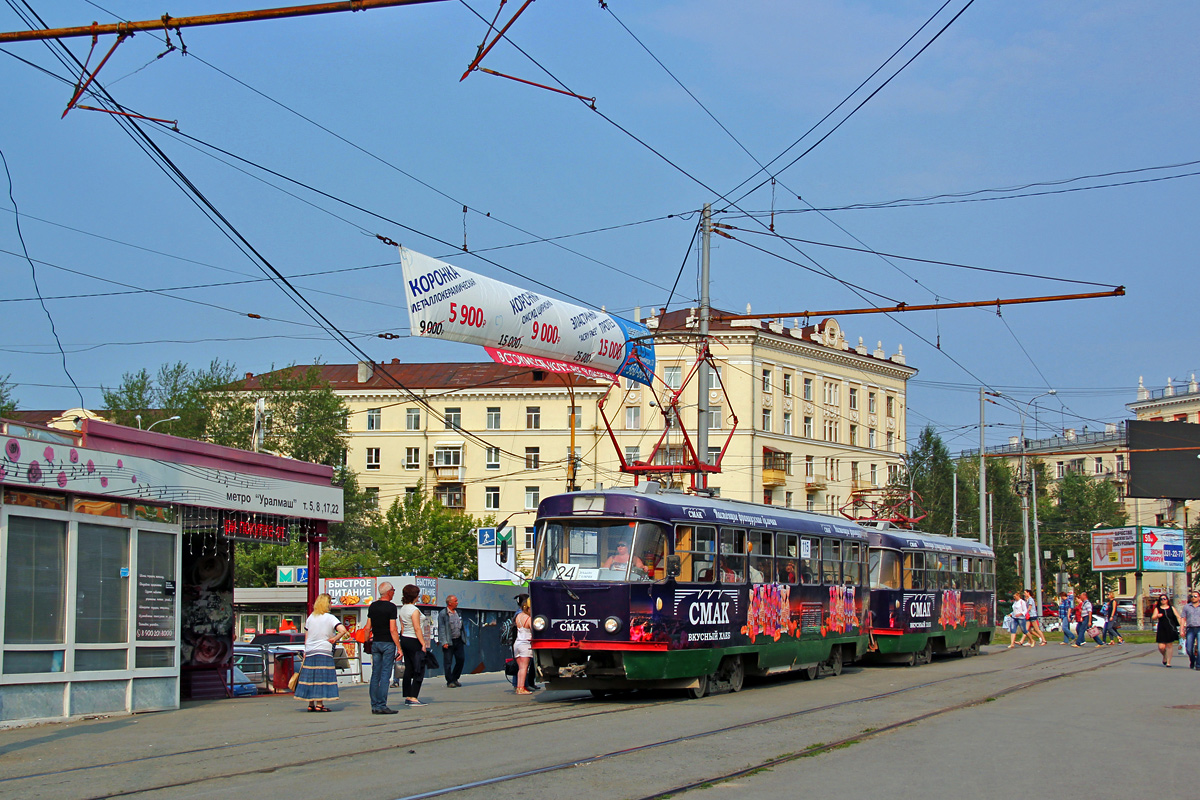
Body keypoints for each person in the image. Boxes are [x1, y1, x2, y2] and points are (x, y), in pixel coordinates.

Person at [294, 593, 348, 712]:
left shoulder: (311, 617)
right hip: (324, 650)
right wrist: (334, 639)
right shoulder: (330, 618)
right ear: (326, 604)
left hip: (311, 650)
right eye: (330, 602)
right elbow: (343, 630)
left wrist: (306, 650)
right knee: (321, 677)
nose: (331, 604)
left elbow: (307, 636)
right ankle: (319, 704)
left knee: (310, 677)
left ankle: (310, 703)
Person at [363, 581, 401, 714]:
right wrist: (399, 647)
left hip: (376, 642)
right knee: (385, 675)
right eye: (393, 591)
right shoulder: (391, 607)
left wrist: (366, 641)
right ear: (389, 592)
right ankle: (382, 704)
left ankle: (374, 705)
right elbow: (393, 629)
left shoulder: (372, 606)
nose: (394, 593)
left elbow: (368, 627)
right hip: (388, 643)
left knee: (375, 674)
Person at [398, 584, 429, 705]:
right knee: (419, 668)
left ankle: (407, 694)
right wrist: (423, 643)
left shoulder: (403, 608)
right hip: (414, 639)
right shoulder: (414, 610)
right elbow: (417, 628)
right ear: (414, 596)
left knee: (409, 667)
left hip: (405, 638)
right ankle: (413, 696)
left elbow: (402, 626)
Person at [437, 595, 467, 688]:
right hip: (449, 641)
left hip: (458, 640)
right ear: (450, 603)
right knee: (448, 662)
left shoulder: (458, 612)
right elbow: (441, 628)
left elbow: (461, 626)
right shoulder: (443, 613)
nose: (457, 602)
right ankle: (449, 681)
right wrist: (444, 641)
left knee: (461, 659)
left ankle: (455, 678)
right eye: (455, 601)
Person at [513, 593, 536, 695]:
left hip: (517, 643)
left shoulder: (518, 616)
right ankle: (522, 688)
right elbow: (534, 630)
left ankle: (518, 687)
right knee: (524, 668)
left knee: (520, 668)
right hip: (525, 645)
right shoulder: (529, 619)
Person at [1152, 594, 1181, 667]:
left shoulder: (1171, 608)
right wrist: (1157, 616)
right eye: (1161, 599)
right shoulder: (1157, 609)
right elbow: (1153, 617)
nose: (1163, 600)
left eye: (1164, 599)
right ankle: (1165, 655)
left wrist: (1181, 626)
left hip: (1170, 628)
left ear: (1167, 600)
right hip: (1162, 628)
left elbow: (1178, 617)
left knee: (1169, 645)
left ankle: (1168, 662)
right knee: (1161, 647)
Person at [1180, 590, 1200, 670]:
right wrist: (1181, 629)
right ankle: (1192, 660)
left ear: (1199, 598)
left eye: (1195, 596)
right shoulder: (1187, 607)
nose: (1193, 598)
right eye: (1192, 596)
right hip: (1190, 628)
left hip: (1199, 628)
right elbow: (1183, 618)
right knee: (1188, 648)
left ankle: (1198, 664)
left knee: (1199, 648)